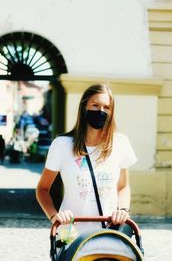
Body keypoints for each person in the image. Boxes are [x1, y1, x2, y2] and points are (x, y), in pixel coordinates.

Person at [36, 83, 137, 235]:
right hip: (71, 233)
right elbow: (42, 189)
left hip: (110, 232)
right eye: (95, 105)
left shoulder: (120, 143)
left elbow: (123, 187)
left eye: (106, 107)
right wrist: (54, 216)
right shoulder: (62, 145)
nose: (101, 111)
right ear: (84, 108)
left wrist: (123, 210)